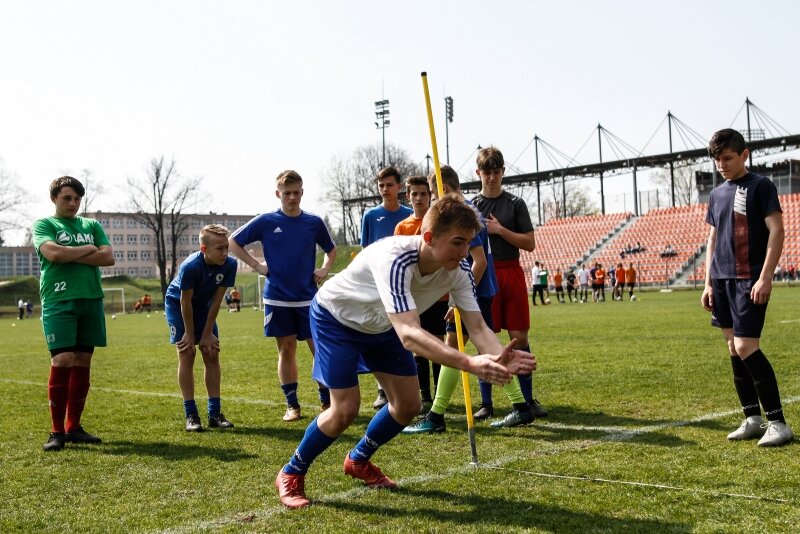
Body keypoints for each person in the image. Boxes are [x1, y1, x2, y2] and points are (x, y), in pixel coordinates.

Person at [275, 197, 537, 509]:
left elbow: (478, 327)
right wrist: (469, 362)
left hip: (384, 325)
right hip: (337, 319)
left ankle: (358, 459)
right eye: (457, 242)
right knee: (345, 409)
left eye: (468, 242)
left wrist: (497, 356)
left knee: (408, 405)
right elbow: (410, 335)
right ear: (429, 237)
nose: (464, 251)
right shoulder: (396, 258)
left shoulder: (459, 269)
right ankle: (291, 471)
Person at [404, 166, 532, 433]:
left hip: (474, 292)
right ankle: (520, 405)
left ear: (443, 188)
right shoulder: (470, 210)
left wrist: (458, 298)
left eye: (434, 194)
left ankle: (437, 416)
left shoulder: (462, 215)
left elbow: (479, 261)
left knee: (456, 346)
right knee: (482, 345)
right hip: (479, 291)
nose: (434, 200)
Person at [701, 128, 793, 447]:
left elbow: (777, 231)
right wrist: (708, 283)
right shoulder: (717, 194)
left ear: (744, 155)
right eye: (717, 160)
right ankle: (752, 419)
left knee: (745, 346)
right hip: (721, 280)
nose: (722, 165)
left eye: (728, 158)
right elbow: (712, 239)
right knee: (733, 347)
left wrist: (765, 277)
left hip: (747, 279)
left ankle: (778, 423)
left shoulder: (760, 186)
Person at [230, 170, 337, 422]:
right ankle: (292, 405)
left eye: (296, 192)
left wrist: (324, 269)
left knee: (319, 350)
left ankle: (327, 402)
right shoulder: (266, 221)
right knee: (286, 350)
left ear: (302, 192)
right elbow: (234, 242)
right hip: (277, 298)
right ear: (278, 194)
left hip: (308, 299)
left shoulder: (313, 222)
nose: (292, 197)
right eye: (287, 193)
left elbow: (331, 250)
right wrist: (257, 266)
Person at [33, 176, 115, 451]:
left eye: (77, 198)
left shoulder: (91, 225)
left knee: (82, 360)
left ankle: (73, 427)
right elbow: (53, 254)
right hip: (59, 300)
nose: (73, 203)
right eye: (67, 198)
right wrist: (88, 249)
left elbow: (108, 257)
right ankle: (56, 431)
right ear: (54, 198)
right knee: (63, 359)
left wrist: (71, 253)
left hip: (90, 299)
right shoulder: (44, 225)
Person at [471, 147, 546, 419]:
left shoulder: (515, 203)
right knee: (484, 338)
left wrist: (500, 230)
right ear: (478, 173)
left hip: (511, 272)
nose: (491, 177)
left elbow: (530, 243)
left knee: (519, 337)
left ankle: (527, 399)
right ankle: (486, 402)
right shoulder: (472, 206)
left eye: (496, 172)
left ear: (503, 172)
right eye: (486, 172)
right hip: (485, 273)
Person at [165, 224, 237, 432]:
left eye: (226, 247)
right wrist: (189, 334)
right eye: (219, 248)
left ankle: (214, 414)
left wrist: (207, 334)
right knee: (187, 352)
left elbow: (216, 301)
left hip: (204, 306)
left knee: (210, 351)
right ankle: (191, 415)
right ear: (204, 249)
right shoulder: (191, 266)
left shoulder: (230, 265)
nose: (225, 253)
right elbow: (185, 301)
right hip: (178, 305)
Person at [361, 166, 413, 411]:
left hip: (405, 284)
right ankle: (382, 390)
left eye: (389, 185)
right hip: (378, 285)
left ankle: (412, 387)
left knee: (405, 334)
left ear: (399, 186)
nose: (385, 189)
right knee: (378, 334)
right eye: (381, 185)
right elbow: (365, 251)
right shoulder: (370, 216)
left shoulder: (410, 215)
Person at [393, 175, 447, 412]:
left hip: (438, 295)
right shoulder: (402, 227)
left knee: (437, 344)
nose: (419, 198)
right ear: (408, 197)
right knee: (418, 347)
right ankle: (424, 395)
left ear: (430, 195)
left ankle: (439, 395)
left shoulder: (440, 223)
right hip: (414, 296)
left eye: (423, 194)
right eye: (414, 194)